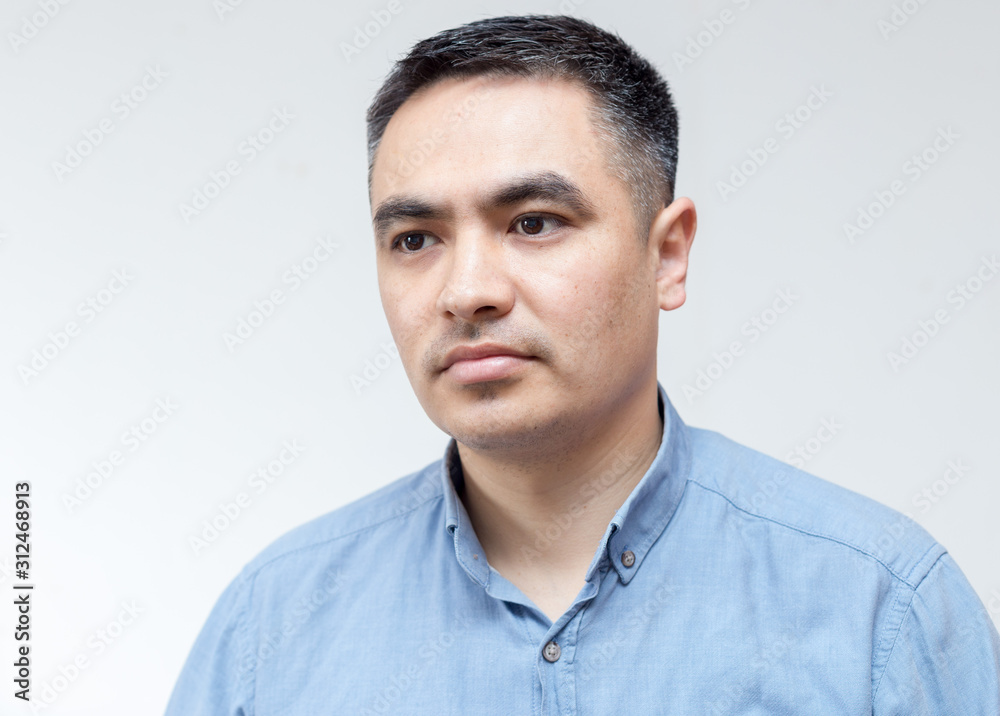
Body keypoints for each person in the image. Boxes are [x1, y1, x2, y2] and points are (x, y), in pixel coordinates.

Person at [164, 14, 1000, 714]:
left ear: (667, 255)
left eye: (532, 222)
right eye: (415, 239)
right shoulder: (271, 628)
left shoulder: (878, 609)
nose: (467, 292)